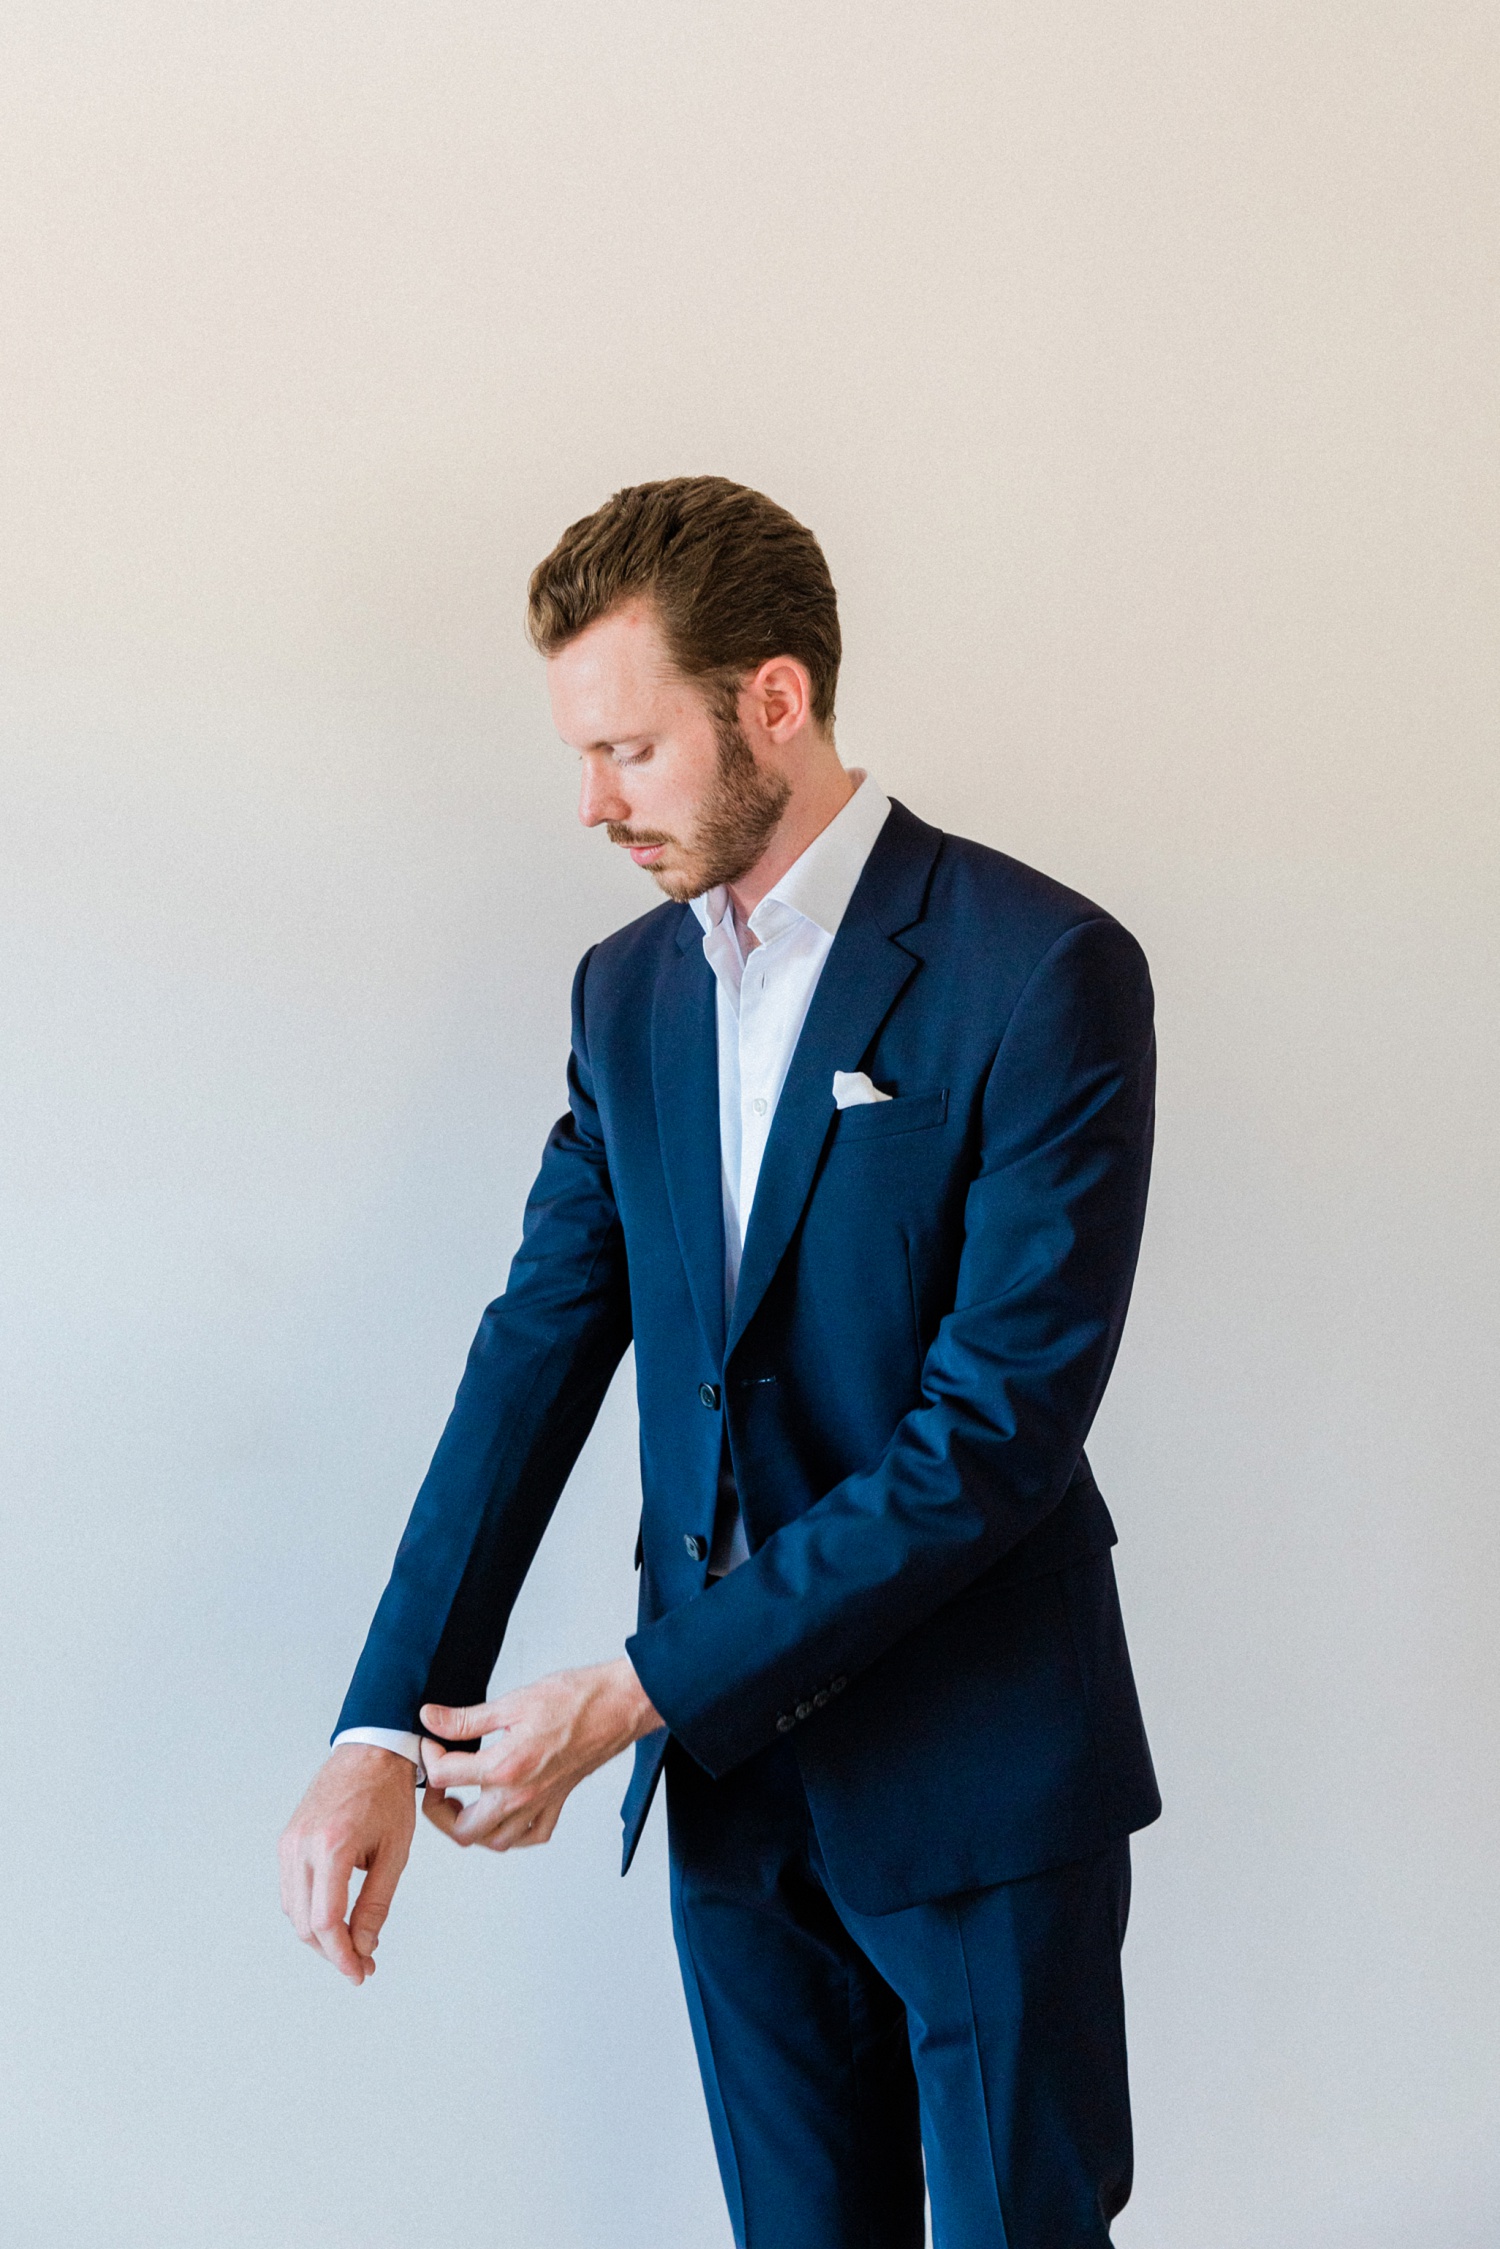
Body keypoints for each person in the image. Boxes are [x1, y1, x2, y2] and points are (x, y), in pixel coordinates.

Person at [279, 476, 1161, 2249]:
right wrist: (384, 1716)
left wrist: (627, 1693)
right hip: (734, 1805)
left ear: (775, 698)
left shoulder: (1044, 969)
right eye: (580, 755)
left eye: (629, 751)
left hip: (979, 1777)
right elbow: (532, 1355)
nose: (592, 804)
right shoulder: (625, 997)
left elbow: (988, 1438)